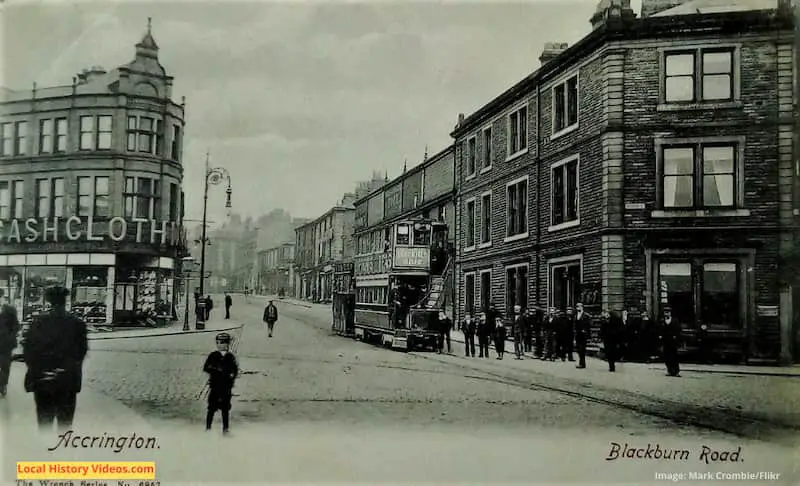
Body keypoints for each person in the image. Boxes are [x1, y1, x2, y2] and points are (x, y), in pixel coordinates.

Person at [23, 286, 88, 430]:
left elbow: (29, 351)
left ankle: (45, 450)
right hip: (67, 381)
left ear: (48, 301)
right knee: (65, 424)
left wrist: (43, 371)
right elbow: (80, 352)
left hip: (43, 380)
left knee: (44, 421)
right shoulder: (77, 324)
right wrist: (63, 370)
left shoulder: (37, 323)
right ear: (65, 301)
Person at [203, 332, 239, 434]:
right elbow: (206, 367)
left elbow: (235, 369)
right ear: (217, 344)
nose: (222, 345)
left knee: (225, 408)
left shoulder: (230, 357)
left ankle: (225, 428)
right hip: (215, 386)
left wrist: (232, 375)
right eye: (220, 343)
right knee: (211, 408)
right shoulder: (213, 356)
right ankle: (208, 427)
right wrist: (215, 369)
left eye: (225, 343)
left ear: (228, 345)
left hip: (226, 387)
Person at [0, 304, 20, 397]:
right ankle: (3, 384)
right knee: (5, 367)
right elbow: (17, 329)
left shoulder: (1, 318)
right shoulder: (14, 320)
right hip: (7, 346)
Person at [658, 305, 681, 377]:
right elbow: (659, 329)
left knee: (674, 356)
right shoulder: (662, 321)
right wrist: (660, 335)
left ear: (670, 313)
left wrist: (676, 336)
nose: (667, 314)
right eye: (665, 312)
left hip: (673, 341)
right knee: (667, 357)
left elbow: (678, 329)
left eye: (668, 312)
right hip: (665, 341)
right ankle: (669, 370)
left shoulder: (675, 320)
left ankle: (676, 371)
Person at [574, 303, 591, 369]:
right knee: (578, 349)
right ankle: (581, 363)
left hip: (583, 335)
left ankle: (582, 364)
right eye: (577, 307)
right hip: (577, 334)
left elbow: (590, 324)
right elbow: (574, 324)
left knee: (582, 349)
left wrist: (585, 330)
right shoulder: (575, 315)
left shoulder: (586, 315)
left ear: (582, 307)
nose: (578, 308)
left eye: (580, 307)